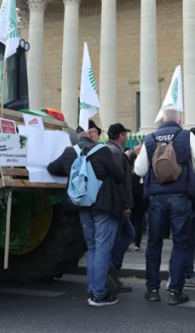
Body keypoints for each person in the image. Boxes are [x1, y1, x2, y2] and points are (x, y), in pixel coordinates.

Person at [47, 120, 127, 307]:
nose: (99, 136)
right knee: (102, 249)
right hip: (104, 205)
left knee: (91, 248)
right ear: (91, 133)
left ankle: (93, 290)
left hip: (82, 205)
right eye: (97, 132)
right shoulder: (102, 151)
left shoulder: (70, 152)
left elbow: (52, 168)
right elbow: (119, 175)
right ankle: (99, 294)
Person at [134, 108, 195, 305]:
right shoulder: (186, 136)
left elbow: (139, 170)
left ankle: (152, 290)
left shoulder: (150, 138)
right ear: (179, 121)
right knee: (180, 243)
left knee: (154, 244)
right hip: (180, 196)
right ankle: (175, 291)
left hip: (156, 198)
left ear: (162, 121)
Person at [167, 127, 195, 289]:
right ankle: (175, 276)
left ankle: (187, 273)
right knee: (181, 243)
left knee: (191, 244)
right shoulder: (183, 156)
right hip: (186, 205)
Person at [106, 123, 138, 293]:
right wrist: (125, 205)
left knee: (125, 234)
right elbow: (119, 181)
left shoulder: (111, 150)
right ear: (121, 135)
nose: (126, 137)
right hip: (119, 204)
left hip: (115, 203)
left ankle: (112, 271)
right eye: (125, 134)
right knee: (124, 235)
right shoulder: (116, 152)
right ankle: (112, 268)